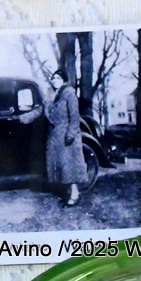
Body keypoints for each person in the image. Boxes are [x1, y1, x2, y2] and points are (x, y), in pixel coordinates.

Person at [46, 68, 88, 206]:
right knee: (63, 168)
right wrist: (24, 118)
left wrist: (70, 134)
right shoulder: (51, 96)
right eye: (53, 78)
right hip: (55, 136)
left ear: (64, 81)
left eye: (58, 78)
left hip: (66, 136)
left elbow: (75, 117)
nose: (55, 81)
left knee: (70, 167)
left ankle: (75, 195)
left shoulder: (69, 94)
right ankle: (70, 193)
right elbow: (43, 111)